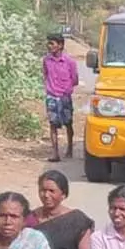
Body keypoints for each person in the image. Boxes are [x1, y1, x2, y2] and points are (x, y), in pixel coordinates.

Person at [31, 170, 95, 249]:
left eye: (51, 191)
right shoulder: (29, 218)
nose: (46, 195)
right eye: (42, 190)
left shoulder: (77, 220)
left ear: (63, 194)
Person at [43, 33, 80, 163]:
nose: (49, 46)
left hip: (65, 97)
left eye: (52, 43)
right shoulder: (46, 60)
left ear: (60, 45)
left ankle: (69, 147)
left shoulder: (70, 62)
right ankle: (55, 153)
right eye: (49, 43)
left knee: (68, 123)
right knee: (53, 124)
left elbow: (75, 79)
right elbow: (45, 75)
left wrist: (66, 89)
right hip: (51, 96)